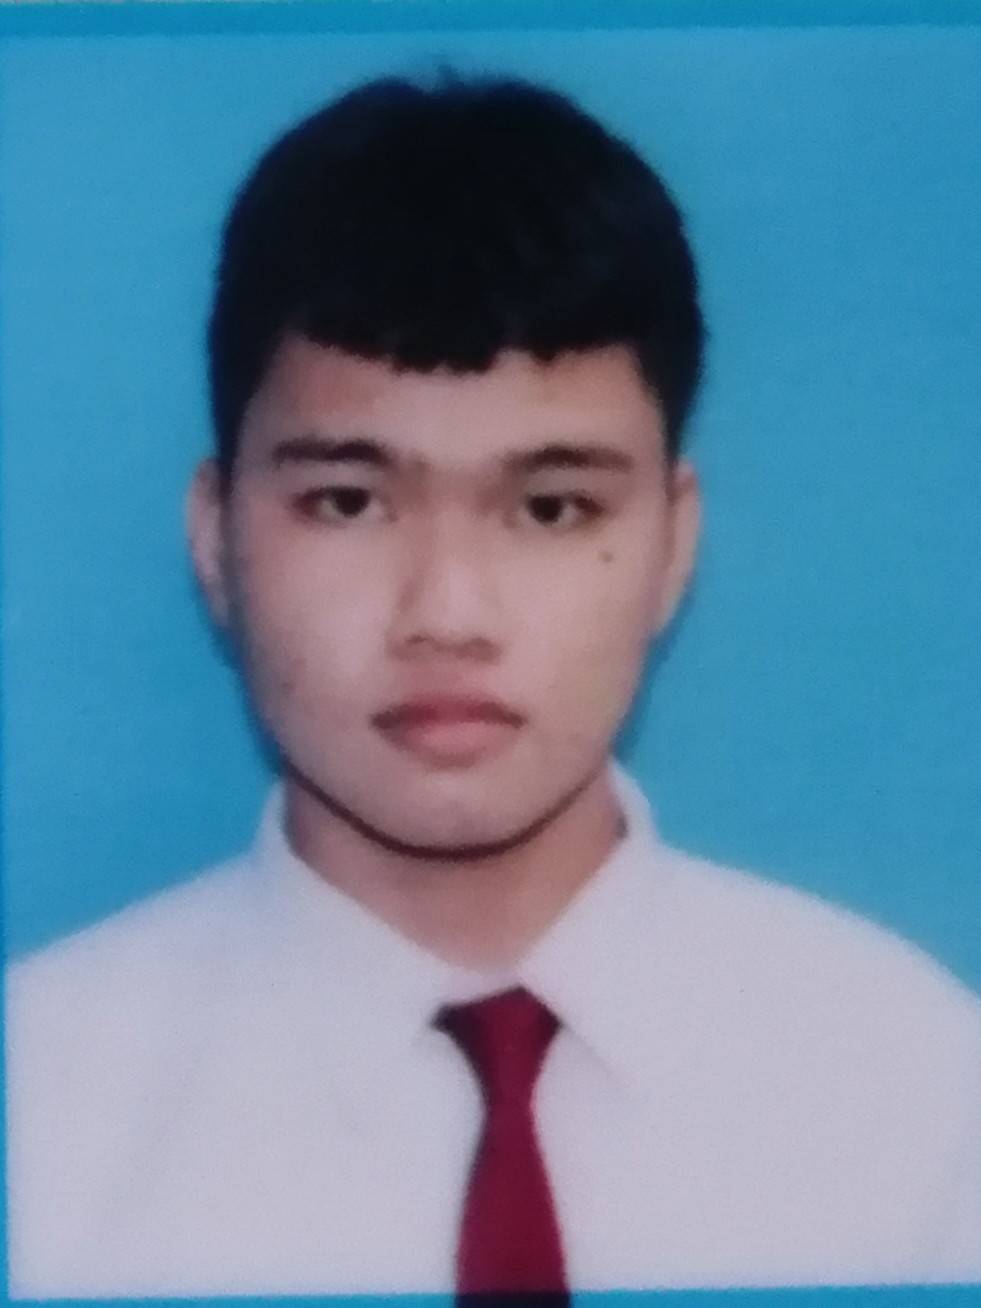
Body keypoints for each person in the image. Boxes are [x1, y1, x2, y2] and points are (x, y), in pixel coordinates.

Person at [5, 71, 981, 1302]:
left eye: (553, 508)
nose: (449, 615)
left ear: (674, 546)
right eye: (347, 502)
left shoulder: (921, 1097)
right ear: (216, 539)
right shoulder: (39, 1119)